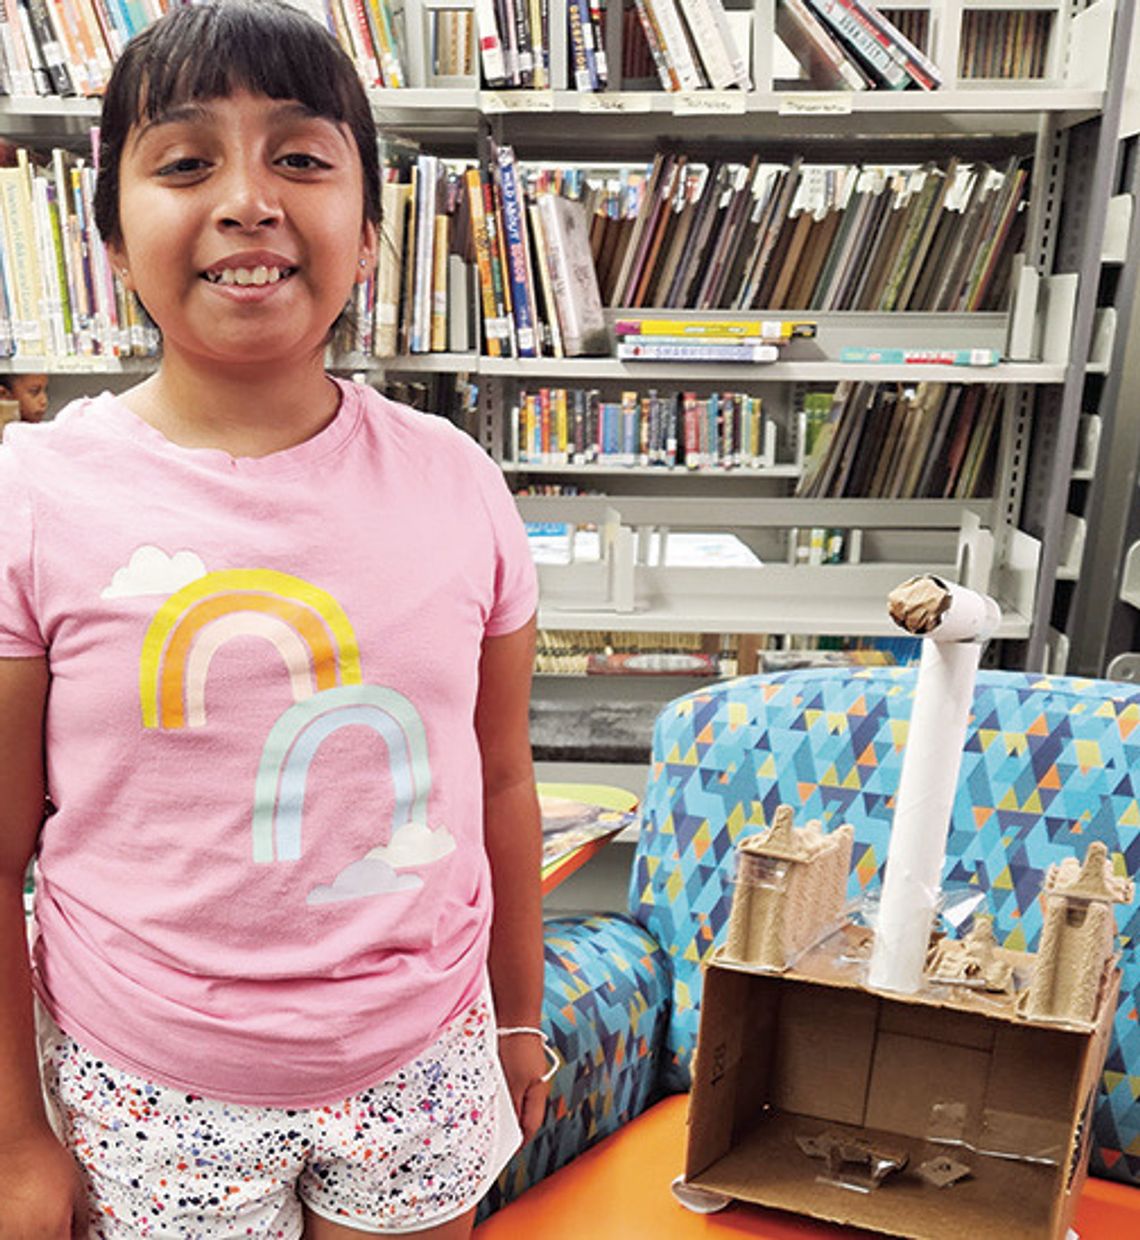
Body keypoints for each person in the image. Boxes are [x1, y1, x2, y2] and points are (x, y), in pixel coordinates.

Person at [0, 4, 550, 1237]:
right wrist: (12, 1137)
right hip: (144, 1084)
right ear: (108, 228)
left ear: (368, 223)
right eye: (186, 161)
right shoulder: (29, 496)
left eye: (300, 157)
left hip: (423, 1064)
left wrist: (518, 1014)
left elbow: (501, 773)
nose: (249, 200)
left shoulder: (458, 478)